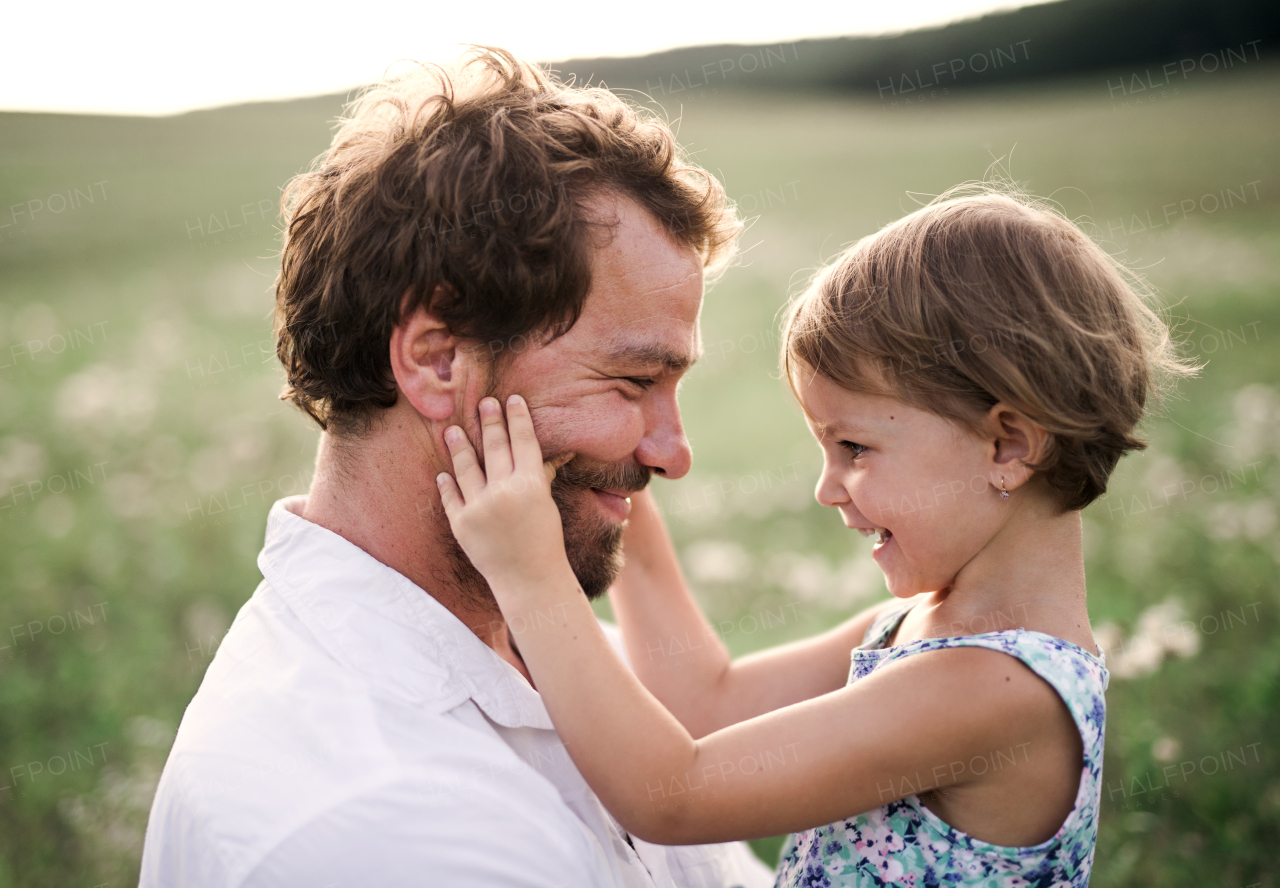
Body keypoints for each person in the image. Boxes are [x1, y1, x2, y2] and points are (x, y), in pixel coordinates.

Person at [138, 47, 774, 888]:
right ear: (437, 363)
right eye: (632, 381)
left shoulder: (556, 646)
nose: (673, 452)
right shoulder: (378, 825)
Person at [435, 187, 1196, 886]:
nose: (827, 488)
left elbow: (674, 795)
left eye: (855, 449)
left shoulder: (994, 692)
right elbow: (707, 704)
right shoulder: (919, 629)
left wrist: (532, 575)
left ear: (1008, 446)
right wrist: (623, 482)